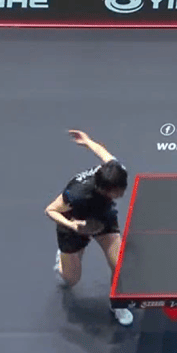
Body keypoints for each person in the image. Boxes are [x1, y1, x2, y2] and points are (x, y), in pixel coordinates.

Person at [44, 129, 133, 327]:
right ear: (102, 189)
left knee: (119, 265)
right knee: (71, 280)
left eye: (122, 189)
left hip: (102, 217)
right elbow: (50, 210)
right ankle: (62, 260)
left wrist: (87, 141)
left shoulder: (116, 170)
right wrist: (72, 225)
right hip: (74, 222)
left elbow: (102, 152)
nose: (121, 194)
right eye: (117, 192)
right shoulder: (77, 193)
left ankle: (117, 304)